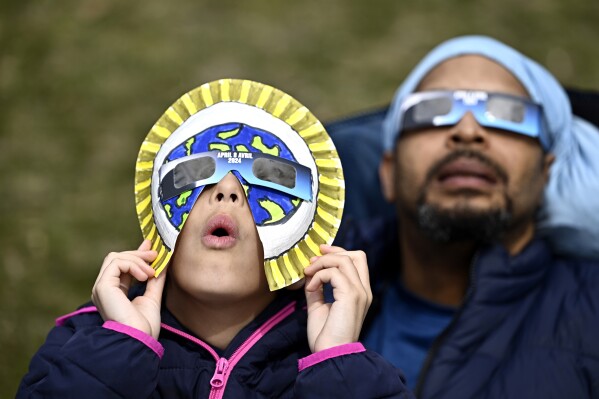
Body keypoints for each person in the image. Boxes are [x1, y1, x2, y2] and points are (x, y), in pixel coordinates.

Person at [17, 80, 412, 398]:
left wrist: (335, 364)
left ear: (304, 236)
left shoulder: (342, 367)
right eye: (197, 171)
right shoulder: (83, 346)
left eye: (268, 178)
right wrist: (120, 349)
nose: (226, 191)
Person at [336, 36, 599, 398]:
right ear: (388, 172)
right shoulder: (289, 300)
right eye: (432, 110)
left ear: (545, 174)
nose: (468, 131)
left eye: (508, 114)